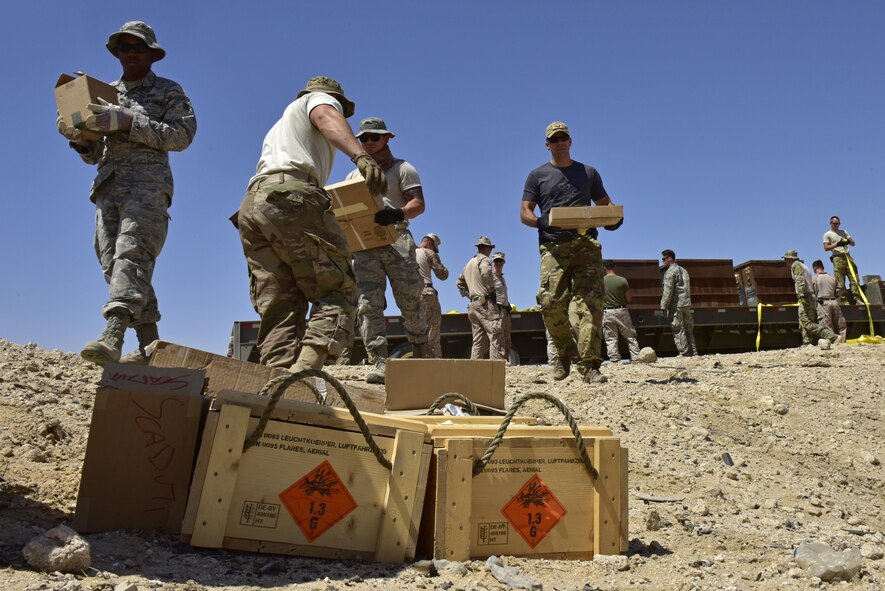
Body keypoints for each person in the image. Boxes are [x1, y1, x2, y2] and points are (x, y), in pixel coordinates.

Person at [56, 21, 197, 366]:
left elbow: (181, 136)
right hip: (108, 186)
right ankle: (151, 346)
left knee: (132, 253)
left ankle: (113, 333)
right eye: (124, 47)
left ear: (152, 54)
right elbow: (93, 155)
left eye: (138, 47)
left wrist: (130, 121)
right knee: (111, 261)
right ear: (117, 53)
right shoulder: (105, 93)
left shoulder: (168, 91)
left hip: (148, 186)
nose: (130, 53)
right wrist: (81, 140)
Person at [237, 76, 387, 372]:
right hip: (292, 196)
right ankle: (303, 374)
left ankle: (276, 381)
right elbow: (324, 114)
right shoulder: (317, 101)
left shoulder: (279, 128)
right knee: (338, 289)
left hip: (253, 205)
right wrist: (361, 156)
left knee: (280, 303)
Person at [520, 121, 622, 384]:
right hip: (553, 246)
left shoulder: (588, 173)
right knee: (550, 302)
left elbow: (604, 204)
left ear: (570, 141)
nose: (560, 143)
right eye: (554, 139)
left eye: (564, 138)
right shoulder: (537, 176)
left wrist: (612, 218)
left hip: (586, 244)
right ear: (547, 145)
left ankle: (589, 365)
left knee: (592, 304)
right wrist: (539, 221)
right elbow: (524, 212)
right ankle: (566, 353)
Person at [344, 117, 428, 384]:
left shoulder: (403, 169)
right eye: (364, 138)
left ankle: (420, 351)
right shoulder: (352, 176)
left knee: (409, 299)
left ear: (386, 138)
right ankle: (378, 360)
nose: (368, 142)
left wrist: (397, 213)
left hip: (397, 237)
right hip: (365, 244)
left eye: (374, 137)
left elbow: (418, 203)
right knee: (368, 303)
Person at [457, 236, 505, 360]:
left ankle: (475, 371)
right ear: (487, 248)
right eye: (490, 248)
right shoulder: (484, 260)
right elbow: (486, 274)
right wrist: (491, 290)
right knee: (496, 335)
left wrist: (471, 295)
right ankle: (497, 369)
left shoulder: (469, 263)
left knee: (478, 341)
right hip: (485, 304)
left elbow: (459, 283)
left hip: (473, 305)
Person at [783, 251, 839, 346]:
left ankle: (832, 336)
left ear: (790, 259)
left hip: (805, 296)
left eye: (785, 259)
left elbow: (800, 280)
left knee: (806, 322)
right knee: (804, 322)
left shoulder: (796, 265)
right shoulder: (803, 265)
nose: (785, 261)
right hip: (810, 296)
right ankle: (807, 343)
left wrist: (801, 296)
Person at [416, 233, 449, 358]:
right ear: (430, 244)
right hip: (426, 294)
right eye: (434, 248)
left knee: (417, 330)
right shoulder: (428, 252)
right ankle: (434, 361)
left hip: (411, 296)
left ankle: (419, 359)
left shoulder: (409, 252)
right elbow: (442, 275)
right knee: (433, 328)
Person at [660, 250, 698, 356]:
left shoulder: (670, 272)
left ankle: (684, 353)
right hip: (686, 303)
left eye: (663, 259)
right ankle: (694, 352)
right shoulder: (683, 270)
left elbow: (668, 291)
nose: (662, 261)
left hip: (676, 305)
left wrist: (663, 306)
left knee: (678, 329)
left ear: (670, 258)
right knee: (688, 329)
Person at [602, 260, 640, 363]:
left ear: (604, 268)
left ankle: (614, 359)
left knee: (610, 337)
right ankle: (636, 357)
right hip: (621, 310)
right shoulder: (622, 280)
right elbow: (628, 298)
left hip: (607, 312)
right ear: (615, 267)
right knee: (630, 335)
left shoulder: (601, 281)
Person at [822, 216, 862, 305]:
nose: (837, 225)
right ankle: (844, 300)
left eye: (838, 224)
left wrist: (848, 241)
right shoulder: (827, 234)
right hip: (837, 257)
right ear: (831, 223)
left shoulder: (844, 232)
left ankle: (857, 299)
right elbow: (826, 247)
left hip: (847, 256)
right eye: (835, 224)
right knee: (840, 280)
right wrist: (837, 244)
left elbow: (853, 243)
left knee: (854, 277)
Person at [812, 259, 847, 341]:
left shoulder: (814, 279)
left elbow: (811, 292)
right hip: (834, 301)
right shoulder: (832, 277)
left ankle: (831, 342)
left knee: (826, 325)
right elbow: (839, 290)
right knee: (840, 324)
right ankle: (842, 342)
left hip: (823, 302)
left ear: (814, 269)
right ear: (823, 267)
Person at [491, 251, 513, 362]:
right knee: (498, 339)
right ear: (493, 263)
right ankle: (499, 363)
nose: (498, 263)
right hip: (497, 310)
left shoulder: (502, 278)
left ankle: (505, 362)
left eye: (500, 261)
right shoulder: (490, 276)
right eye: (496, 261)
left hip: (505, 310)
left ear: (504, 262)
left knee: (507, 339)